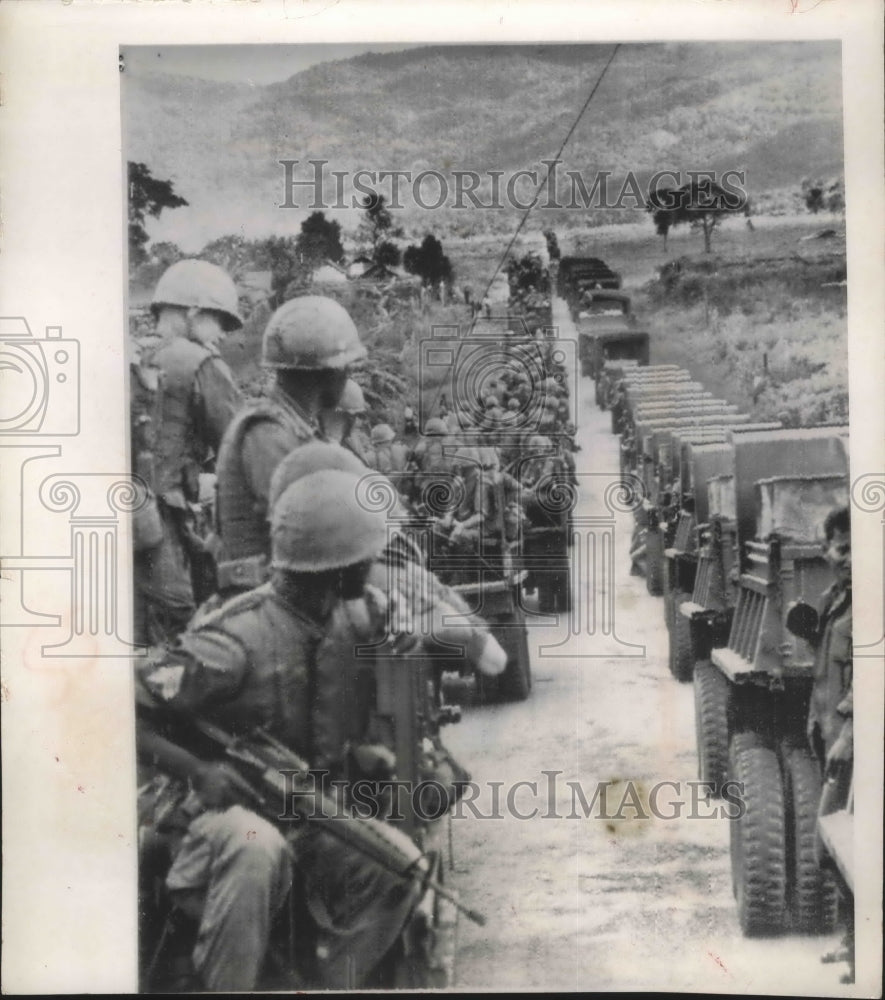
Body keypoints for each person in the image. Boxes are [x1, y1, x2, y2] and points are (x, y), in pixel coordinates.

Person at [136, 470, 425, 991]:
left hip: (307, 808)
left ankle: (330, 980)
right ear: (334, 566)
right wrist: (199, 770)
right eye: (363, 556)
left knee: (398, 866)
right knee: (255, 845)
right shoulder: (234, 642)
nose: (372, 565)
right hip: (209, 816)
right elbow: (127, 711)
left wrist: (402, 626)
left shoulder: (348, 612)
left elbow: (390, 614)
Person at [213, 295, 366, 596]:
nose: (348, 376)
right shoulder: (268, 432)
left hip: (286, 592)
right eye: (347, 367)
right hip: (265, 602)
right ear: (332, 372)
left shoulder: (292, 426)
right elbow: (313, 527)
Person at [132, 259, 244, 645]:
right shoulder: (200, 363)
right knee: (186, 629)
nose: (224, 336)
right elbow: (242, 443)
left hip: (123, 519)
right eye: (221, 322)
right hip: (162, 523)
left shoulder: (131, 354)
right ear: (194, 312)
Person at [807, 504, 853, 771]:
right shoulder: (831, 602)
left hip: (855, 749)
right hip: (832, 743)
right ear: (826, 553)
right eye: (843, 550)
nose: (851, 560)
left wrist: (849, 739)